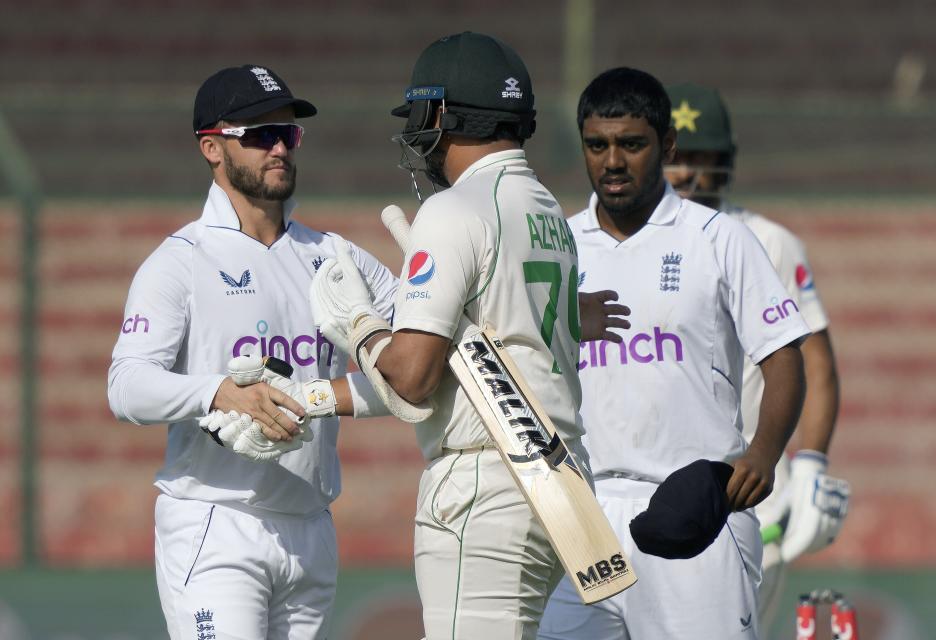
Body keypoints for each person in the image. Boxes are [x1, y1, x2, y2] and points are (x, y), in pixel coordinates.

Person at [307, 31, 613, 640]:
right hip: (555, 476)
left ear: (443, 114)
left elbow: (413, 378)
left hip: (484, 485)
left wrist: (360, 326)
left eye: (423, 114)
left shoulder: (453, 210)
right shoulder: (547, 208)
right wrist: (311, 396)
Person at [107, 64, 398, 639]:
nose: (279, 148)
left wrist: (316, 396)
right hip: (215, 521)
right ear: (212, 148)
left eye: (287, 134)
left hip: (311, 527)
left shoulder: (336, 258)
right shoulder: (181, 260)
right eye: (259, 135)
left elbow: (415, 366)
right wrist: (221, 392)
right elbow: (126, 387)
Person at [538, 67, 810, 640]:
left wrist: (763, 454)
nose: (612, 161)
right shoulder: (556, 246)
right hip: (582, 517)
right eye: (597, 145)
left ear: (666, 146)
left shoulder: (717, 238)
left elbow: (785, 356)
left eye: (632, 145)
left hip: (696, 514)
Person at [664, 82, 848, 636]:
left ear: (725, 163)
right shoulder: (620, 240)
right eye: (678, 157)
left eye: (704, 158)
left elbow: (815, 363)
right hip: (643, 492)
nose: (689, 174)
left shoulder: (768, 241)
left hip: (746, 501)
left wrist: (811, 464)